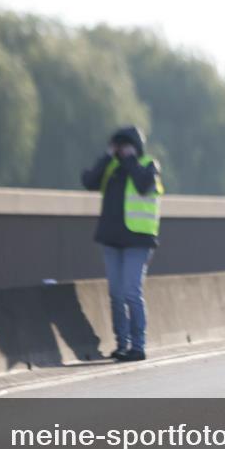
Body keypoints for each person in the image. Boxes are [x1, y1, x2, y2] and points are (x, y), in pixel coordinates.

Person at [81, 126, 164, 362]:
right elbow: (89, 181)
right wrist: (107, 156)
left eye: (127, 145)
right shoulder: (111, 168)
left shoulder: (149, 165)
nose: (122, 149)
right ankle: (122, 344)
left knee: (131, 291)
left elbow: (142, 185)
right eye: (119, 145)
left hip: (138, 240)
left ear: (136, 146)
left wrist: (129, 160)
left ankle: (138, 345)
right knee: (116, 294)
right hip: (112, 240)